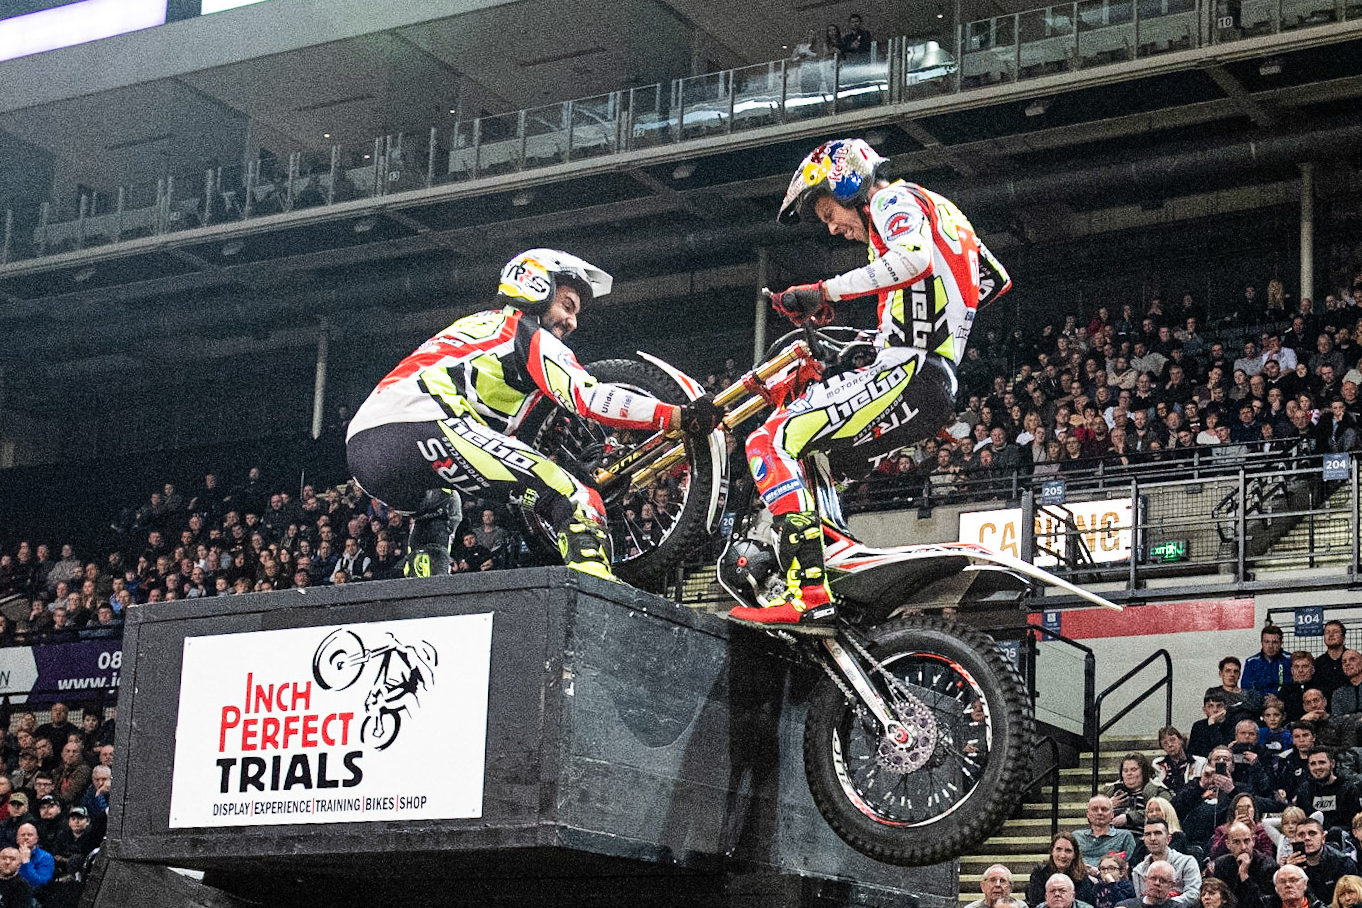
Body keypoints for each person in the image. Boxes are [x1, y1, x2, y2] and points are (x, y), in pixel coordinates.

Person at [732, 138, 1009, 629]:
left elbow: (914, 260)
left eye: (827, 214)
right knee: (816, 458)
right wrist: (891, 333)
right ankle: (835, 562)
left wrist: (823, 291)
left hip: (907, 371)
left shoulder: (891, 199)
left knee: (767, 443)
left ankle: (808, 591)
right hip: (935, 383)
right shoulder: (945, 212)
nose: (833, 228)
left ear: (847, 182)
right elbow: (990, 281)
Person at [346, 249, 710, 581]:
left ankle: (424, 590)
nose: (572, 322)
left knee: (440, 508)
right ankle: (594, 587)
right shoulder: (526, 331)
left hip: (365, 447)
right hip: (426, 422)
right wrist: (676, 415)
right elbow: (588, 397)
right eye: (567, 305)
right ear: (537, 287)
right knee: (574, 497)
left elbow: (499, 434)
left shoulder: (478, 325)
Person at [1211, 820, 1280, 908]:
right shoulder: (1221, 864)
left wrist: (1244, 876)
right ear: (1228, 844)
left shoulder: (1267, 865)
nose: (1243, 847)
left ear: (1253, 841)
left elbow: (1265, 904)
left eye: (1246, 841)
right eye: (1237, 842)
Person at [1132, 820, 1201, 908]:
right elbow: (1141, 900)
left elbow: (1193, 895)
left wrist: (1165, 904)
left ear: (1168, 839)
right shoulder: (1138, 870)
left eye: (1157, 833)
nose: (1152, 838)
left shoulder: (1186, 862)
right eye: (1148, 834)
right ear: (1144, 840)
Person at [1025, 832, 1095, 908]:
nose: (1062, 855)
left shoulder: (1081, 875)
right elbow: (1036, 903)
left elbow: (1084, 905)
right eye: (1058, 849)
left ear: (1075, 855)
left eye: (1068, 851)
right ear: (1052, 851)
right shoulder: (1040, 872)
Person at [1108, 753, 1171, 832]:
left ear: (1143, 772)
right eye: (1125, 770)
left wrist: (1129, 818)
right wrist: (1108, 805)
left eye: (1133, 770)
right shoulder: (1113, 791)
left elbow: (1165, 812)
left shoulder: (1157, 790)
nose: (1129, 774)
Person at [1075, 795, 1137, 868]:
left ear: (1112, 814)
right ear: (1088, 814)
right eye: (1095, 809)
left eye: (1104, 809)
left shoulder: (1124, 836)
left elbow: (1128, 865)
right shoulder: (1076, 836)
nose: (1100, 813)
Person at [1247, 624, 1291, 695]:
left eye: (1275, 642)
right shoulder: (1251, 662)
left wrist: (1278, 699)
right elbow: (1246, 688)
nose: (1270, 646)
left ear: (1281, 643)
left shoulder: (1290, 660)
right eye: (1267, 642)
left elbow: (1295, 686)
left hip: (1284, 700)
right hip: (1258, 701)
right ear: (1262, 643)